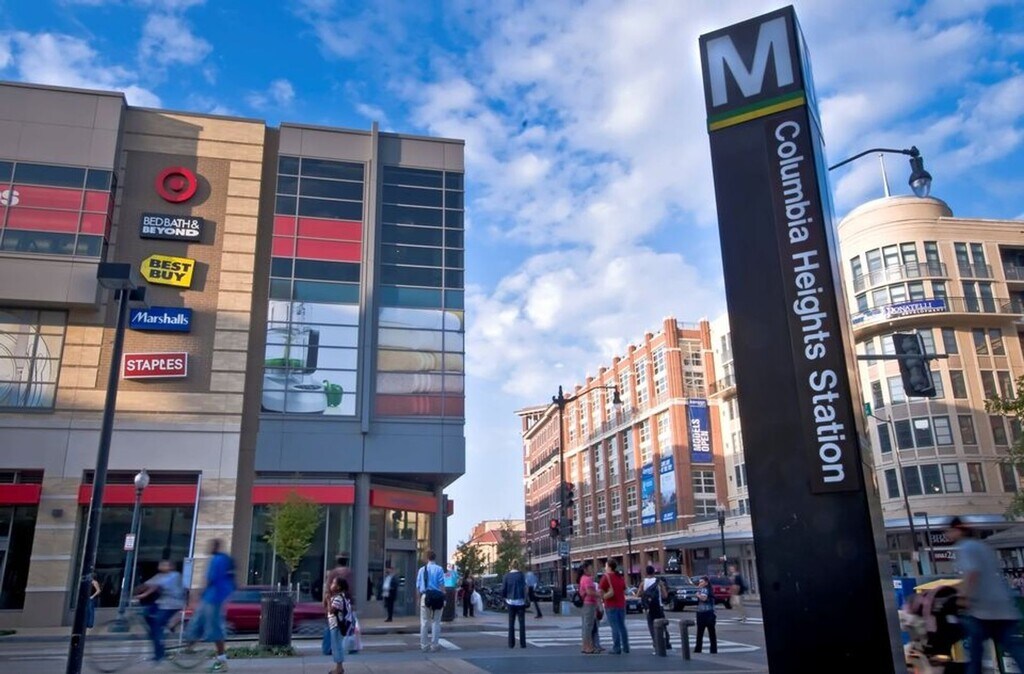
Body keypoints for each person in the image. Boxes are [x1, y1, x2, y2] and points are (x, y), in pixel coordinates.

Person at [947, 516, 1024, 674]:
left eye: (949, 531)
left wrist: (963, 597)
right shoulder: (982, 546)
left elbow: (972, 573)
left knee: (975, 653)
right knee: (1014, 648)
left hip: (982, 610)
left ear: (957, 531)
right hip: (1003, 606)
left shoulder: (966, 548)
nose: (948, 535)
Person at [186, 539, 236, 672]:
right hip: (212, 597)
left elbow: (211, 578)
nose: (208, 548)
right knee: (198, 622)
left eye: (211, 546)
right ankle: (188, 648)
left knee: (213, 627)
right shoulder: (222, 559)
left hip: (213, 597)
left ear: (216, 547)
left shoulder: (217, 560)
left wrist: (200, 592)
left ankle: (221, 661)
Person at [139, 560, 186, 663]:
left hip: (173, 604)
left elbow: (157, 585)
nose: (161, 566)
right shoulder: (159, 576)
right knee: (146, 613)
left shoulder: (175, 575)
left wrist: (144, 593)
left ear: (171, 567)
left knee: (157, 626)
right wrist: (139, 593)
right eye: (161, 564)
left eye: (165, 565)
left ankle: (160, 654)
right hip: (162, 602)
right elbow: (149, 585)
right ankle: (158, 631)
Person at [417, 550, 445, 652]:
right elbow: (442, 584)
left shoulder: (422, 570)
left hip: (426, 596)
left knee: (424, 622)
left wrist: (418, 599)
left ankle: (424, 645)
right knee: (436, 622)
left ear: (427, 558)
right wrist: (444, 598)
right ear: (434, 558)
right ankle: (435, 645)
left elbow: (418, 586)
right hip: (437, 596)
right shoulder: (439, 569)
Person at [599, 559, 629, 655]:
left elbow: (600, 590)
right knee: (622, 626)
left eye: (606, 566)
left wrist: (603, 597)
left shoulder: (606, 577)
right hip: (621, 604)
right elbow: (624, 589)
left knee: (614, 626)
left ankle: (616, 647)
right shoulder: (619, 577)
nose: (605, 568)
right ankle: (626, 647)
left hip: (611, 604)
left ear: (609, 567)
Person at [641, 565, 672, 654]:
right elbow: (665, 596)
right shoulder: (659, 582)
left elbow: (638, 594)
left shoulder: (643, 582)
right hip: (659, 606)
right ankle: (666, 642)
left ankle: (656, 645)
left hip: (649, 608)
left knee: (652, 627)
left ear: (646, 572)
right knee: (663, 626)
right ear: (654, 572)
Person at [326, 576, 352, 674]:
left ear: (338, 587)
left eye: (333, 583)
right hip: (335, 625)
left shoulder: (338, 598)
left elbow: (331, 611)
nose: (331, 585)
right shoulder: (338, 597)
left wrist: (328, 600)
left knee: (337, 647)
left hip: (336, 626)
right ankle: (339, 668)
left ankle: (339, 669)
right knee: (336, 646)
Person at [502, 559, 528, 648]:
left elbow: (503, 589)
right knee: (522, 623)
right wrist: (526, 598)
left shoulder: (506, 576)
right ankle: (523, 643)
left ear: (511, 566)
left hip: (510, 601)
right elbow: (525, 587)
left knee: (511, 623)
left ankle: (511, 643)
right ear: (518, 566)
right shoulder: (521, 575)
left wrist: (504, 598)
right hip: (520, 601)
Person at [579, 561, 603, 654]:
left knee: (586, 626)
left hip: (586, 603)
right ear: (585, 569)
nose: (592, 570)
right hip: (589, 603)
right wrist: (598, 594)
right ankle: (587, 646)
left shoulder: (583, 578)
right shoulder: (587, 579)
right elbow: (589, 592)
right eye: (590, 568)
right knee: (588, 626)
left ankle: (585, 646)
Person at [694, 576, 717, 654]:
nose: (700, 583)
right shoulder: (709, 590)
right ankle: (713, 649)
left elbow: (703, 598)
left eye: (702, 582)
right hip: (710, 613)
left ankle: (698, 649)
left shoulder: (705, 589)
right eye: (699, 582)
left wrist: (698, 595)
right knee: (711, 633)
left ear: (706, 583)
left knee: (700, 633)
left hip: (703, 613)